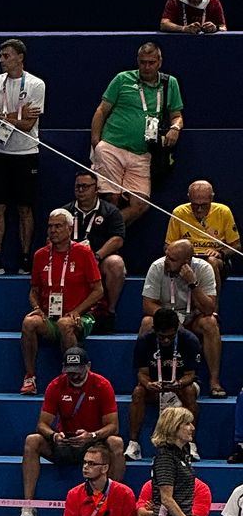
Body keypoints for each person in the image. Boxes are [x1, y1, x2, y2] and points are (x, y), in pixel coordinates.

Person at [20, 347, 123, 516]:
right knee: (32, 440)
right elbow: (42, 424)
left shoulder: (102, 385)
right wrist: (54, 435)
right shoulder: (56, 385)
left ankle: (109, 502)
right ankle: (28, 506)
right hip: (64, 443)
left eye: (77, 371)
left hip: (92, 445)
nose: (73, 375)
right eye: (69, 371)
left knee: (116, 442)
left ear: (88, 366)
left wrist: (92, 435)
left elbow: (113, 426)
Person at [91, 42, 183, 227]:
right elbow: (102, 110)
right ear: (137, 61)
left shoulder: (169, 83)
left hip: (143, 152)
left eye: (151, 62)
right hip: (112, 146)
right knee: (112, 198)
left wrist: (175, 128)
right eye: (143, 62)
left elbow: (177, 116)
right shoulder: (122, 78)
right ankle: (110, 239)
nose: (147, 67)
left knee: (140, 204)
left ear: (160, 62)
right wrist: (96, 141)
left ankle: (103, 233)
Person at [20, 209, 103, 394]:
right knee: (29, 322)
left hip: (81, 317)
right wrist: (36, 307)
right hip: (50, 317)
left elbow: (98, 291)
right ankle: (30, 377)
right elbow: (33, 291)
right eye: (50, 226)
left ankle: (72, 378)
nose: (53, 230)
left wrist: (78, 311)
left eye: (58, 226)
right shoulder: (40, 255)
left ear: (69, 229)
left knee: (65, 324)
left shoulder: (83, 253)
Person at [0, 38, 45, 277]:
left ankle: (26, 258)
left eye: (6, 56)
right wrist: (17, 113)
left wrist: (3, 115)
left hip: (26, 153)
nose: (1, 60)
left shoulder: (36, 84)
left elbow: (28, 125)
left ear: (20, 58)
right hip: (0, 152)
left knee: (24, 207)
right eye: (1, 56)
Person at [140, 240, 222, 396]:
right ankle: (145, 380)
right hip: (167, 318)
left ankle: (214, 381)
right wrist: (172, 320)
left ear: (186, 262)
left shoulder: (204, 268)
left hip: (193, 317)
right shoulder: (157, 267)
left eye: (172, 259)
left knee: (210, 323)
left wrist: (193, 283)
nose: (166, 261)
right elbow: (148, 304)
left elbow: (209, 308)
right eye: (166, 255)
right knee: (147, 322)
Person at [126, 309, 201, 461]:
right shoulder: (145, 340)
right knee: (138, 392)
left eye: (170, 337)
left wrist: (179, 383)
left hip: (181, 385)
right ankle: (133, 444)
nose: (166, 341)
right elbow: (142, 373)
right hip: (155, 386)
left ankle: (190, 444)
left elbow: (190, 375)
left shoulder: (189, 340)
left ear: (177, 329)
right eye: (161, 337)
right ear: (154, 330)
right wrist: (149, 384)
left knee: (189, 391)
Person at [68, 170, 126, 332]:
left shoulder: (111, 211)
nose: (81, 190)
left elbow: (118, 239)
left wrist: (97, 255)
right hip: (72, 260)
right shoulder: (67, 211)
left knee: (116, 263)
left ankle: (109, 312)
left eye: (85, 186)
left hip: (99, 259)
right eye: (78, 187)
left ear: (96, 189)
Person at [165, 180, 239, 292]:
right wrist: (182, 254)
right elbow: (167, 246)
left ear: (211, 198)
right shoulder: (179, 212)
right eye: (195, 205)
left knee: (211, 262)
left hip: (217, 260)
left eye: (204, 205)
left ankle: (212, 301)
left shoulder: (223, 212)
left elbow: (236, 245)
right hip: (188, 259)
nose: (199, 210)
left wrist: (220, 253)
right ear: (189, 198)